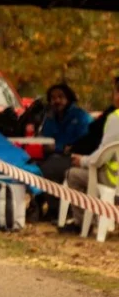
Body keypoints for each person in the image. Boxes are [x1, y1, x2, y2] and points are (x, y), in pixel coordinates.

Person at [60, 77, 119, 233]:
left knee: (72, 174)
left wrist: (83, 160)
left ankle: (83, 223)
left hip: (112, 180)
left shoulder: (115, 118)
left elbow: (103, 155)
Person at [40, 83, 91, 153]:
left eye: (61, 97)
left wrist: (59, 148)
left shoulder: (81, 117)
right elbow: (45, 141)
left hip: (76, 159)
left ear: (68, 98)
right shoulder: (49, 119)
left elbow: (85, 144)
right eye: (53, 98)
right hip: (52, 159)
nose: (57, 101)